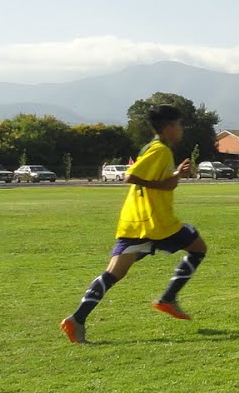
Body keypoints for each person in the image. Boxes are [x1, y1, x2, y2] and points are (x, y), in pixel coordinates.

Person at [59, 104, 208, 343]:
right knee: (198, 248)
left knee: (113, 273)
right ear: (168, 127)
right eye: (178, 124)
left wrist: (177, 174)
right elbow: (132, 176)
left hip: (135, 222)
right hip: (157, 222)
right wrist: (170, 180)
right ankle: (168, 299)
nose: (181, 129)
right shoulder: (160, 151)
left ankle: (76, 319)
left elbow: (163, 182)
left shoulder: (153, 149)